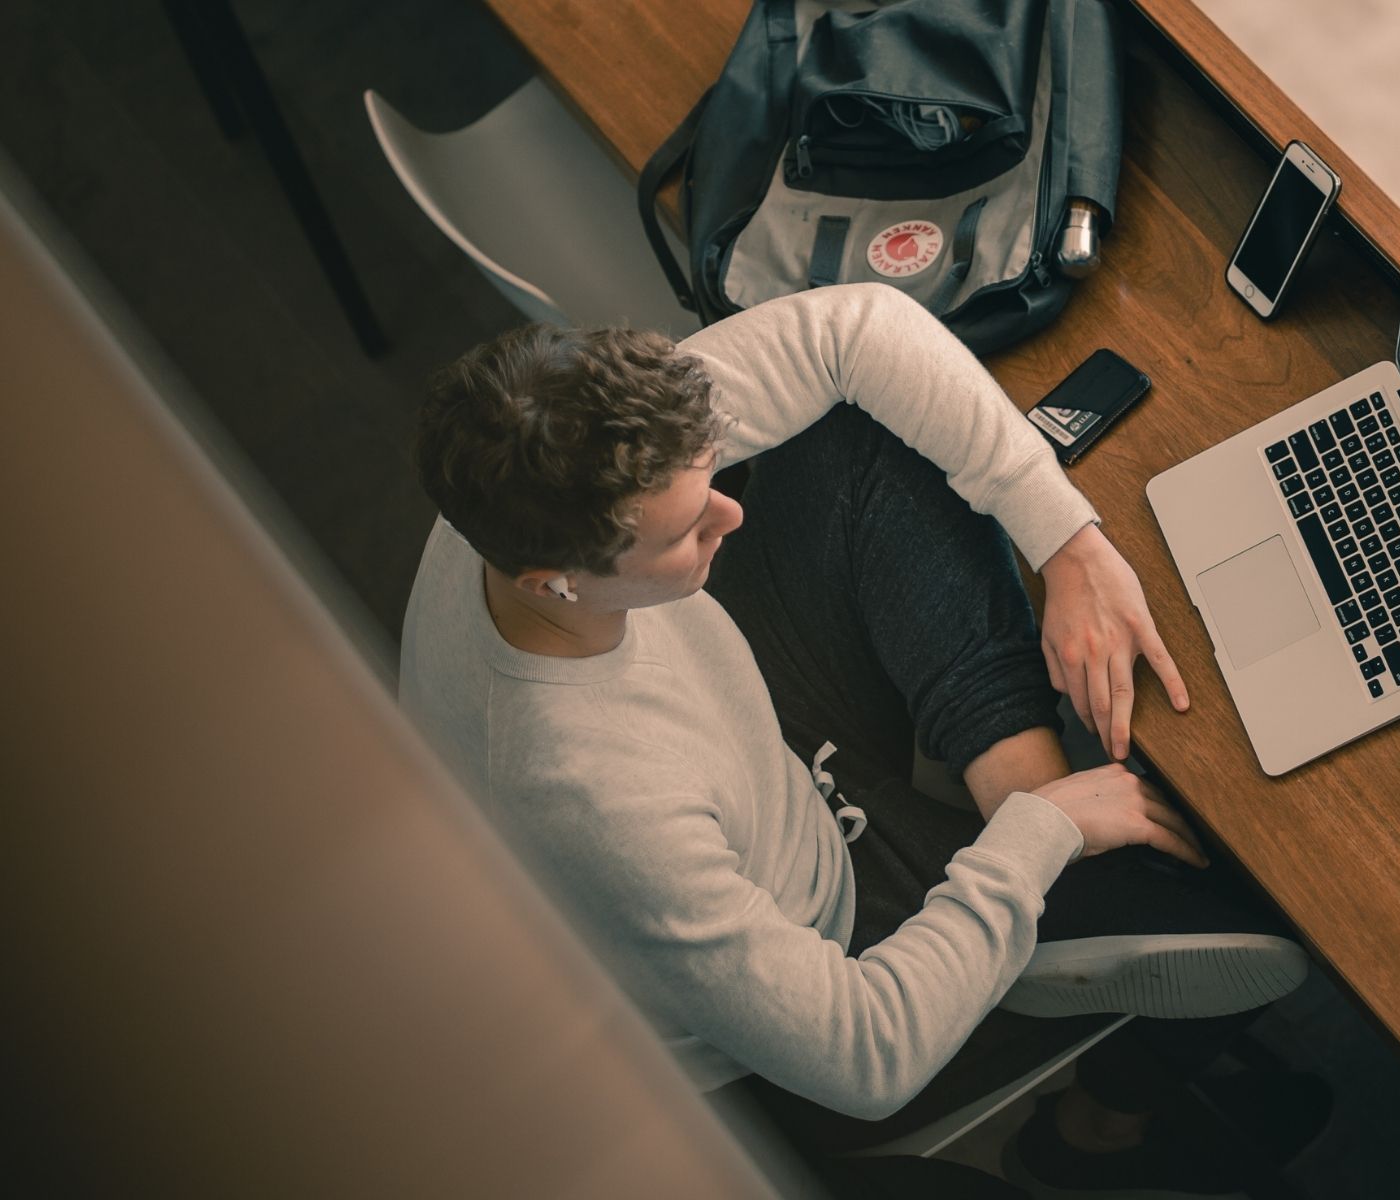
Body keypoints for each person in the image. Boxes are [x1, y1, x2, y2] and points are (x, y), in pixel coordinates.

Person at [400, 284, 1325, 1196]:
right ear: (554, 582)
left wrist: (1068, 546)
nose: (731, 511)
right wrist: (1036, 846)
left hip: (753, 729)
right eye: (689, 528)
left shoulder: (538, 451)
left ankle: (1020, 788)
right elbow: (864, 1057)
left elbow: (860, 330)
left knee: (848, 427)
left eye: (710, 479)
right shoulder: (592, 803)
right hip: (825, 919)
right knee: (1279, 904)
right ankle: (1047, 973)